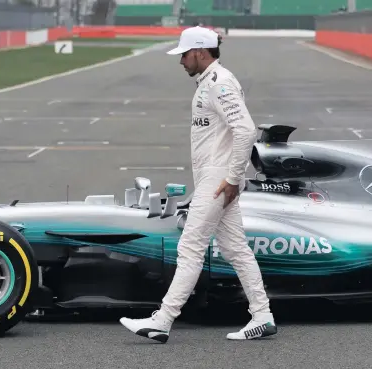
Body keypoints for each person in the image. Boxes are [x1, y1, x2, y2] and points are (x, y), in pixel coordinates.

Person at [119, 26, 277, 343]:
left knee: (190, 247)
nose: (181, 61)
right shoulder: (210, 82)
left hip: (219, 179)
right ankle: (262, 316)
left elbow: (246, 130)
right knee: (236, 248)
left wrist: (232, 179)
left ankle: (162, 321)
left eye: (185, 54)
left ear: (201, 52)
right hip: (216, 177)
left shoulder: (219, 84)